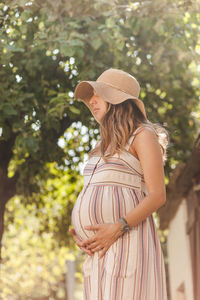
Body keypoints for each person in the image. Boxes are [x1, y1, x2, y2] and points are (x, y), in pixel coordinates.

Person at [69, 68, 169, 300]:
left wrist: (119, 225)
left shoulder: (142, 134)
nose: (91, 101)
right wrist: (85, 235)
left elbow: (157, 195)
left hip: (127, 243)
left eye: (98, 94)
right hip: (100, 254)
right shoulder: (99, 147)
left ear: (117, 100)